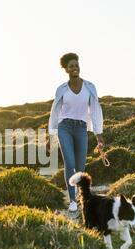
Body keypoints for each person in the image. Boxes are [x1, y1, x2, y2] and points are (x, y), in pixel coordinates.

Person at [47, 52, 104, 212]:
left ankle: (82, 197)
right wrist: (51, 136)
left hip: (81, 128)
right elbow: (55, 112)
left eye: (76, 65)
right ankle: (72, 200)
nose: (74, 68)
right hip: (64, 127)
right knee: (70, 164)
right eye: (71, 66)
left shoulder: (89, 87)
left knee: (80, 166)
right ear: (66, 69)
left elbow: (95, 111)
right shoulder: (62, 89)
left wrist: (99, 135)